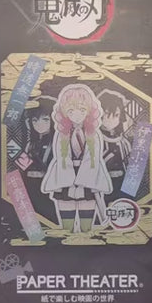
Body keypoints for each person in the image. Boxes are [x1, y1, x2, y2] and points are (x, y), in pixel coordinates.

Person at [41, 84, 112, 233]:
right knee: (67, 226)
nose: (77, 115)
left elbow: (94, 159)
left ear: (90, 111)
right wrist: (67, 178)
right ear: (64, 112)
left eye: (82, 110)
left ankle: (86, 245)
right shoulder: (62, 133)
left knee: (87, 227)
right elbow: (61, 157)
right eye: (71, 111)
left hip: (88, 180)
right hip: (66, 180)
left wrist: (88, 179)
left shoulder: (94, 134)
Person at [97, 89, 132, 202]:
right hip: (102, 187)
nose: (111, 119)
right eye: (107, 114)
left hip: (122, 185)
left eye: (116, 115)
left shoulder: (124, 141)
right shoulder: (94, 139)